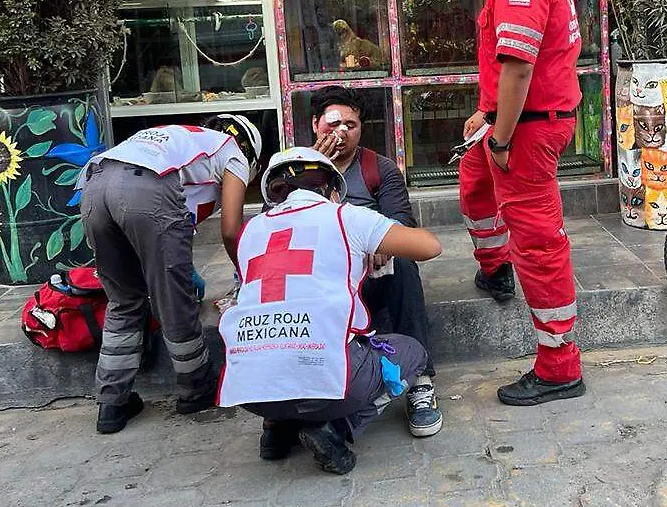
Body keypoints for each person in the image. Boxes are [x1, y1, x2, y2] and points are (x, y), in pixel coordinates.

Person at [218, 147, 442, 474]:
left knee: (279, 349)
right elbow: (429, 246)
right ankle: (337, 428)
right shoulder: (346, 216)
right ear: (332, 189)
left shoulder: (251, 231)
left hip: (248, 391)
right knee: (413, 352)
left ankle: (277, 428)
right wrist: (372, 241)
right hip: (333, 384)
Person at [449, 0, 586, 406]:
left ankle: (559, 365)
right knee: (473, 181)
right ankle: (493, 267)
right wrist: (487, 116)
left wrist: (500, 135)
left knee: (538, 242)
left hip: (528, 127)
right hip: (514, 119)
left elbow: (519, 68)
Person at [78, 114, 263, 434]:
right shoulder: (233, 151)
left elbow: (159, 231)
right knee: (174, 300)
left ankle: (112, 402)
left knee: (123, 299)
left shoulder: (179, 138)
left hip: (95, 185)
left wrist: (182, 269)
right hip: (146, 186)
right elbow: (232, 230)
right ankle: (196, 388)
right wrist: (246, 273)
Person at [306, 85, 442, 436]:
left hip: (369, 271)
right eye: (332, 124)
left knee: (405, 265)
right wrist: (313, 175)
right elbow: (276, 221)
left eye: (351, 125)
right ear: (314, 125)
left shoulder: (379, 168)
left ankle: (421, 380)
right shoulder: (295, 169)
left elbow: (402, 221)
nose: (341, 133)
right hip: (319, 274)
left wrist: (385, 237)